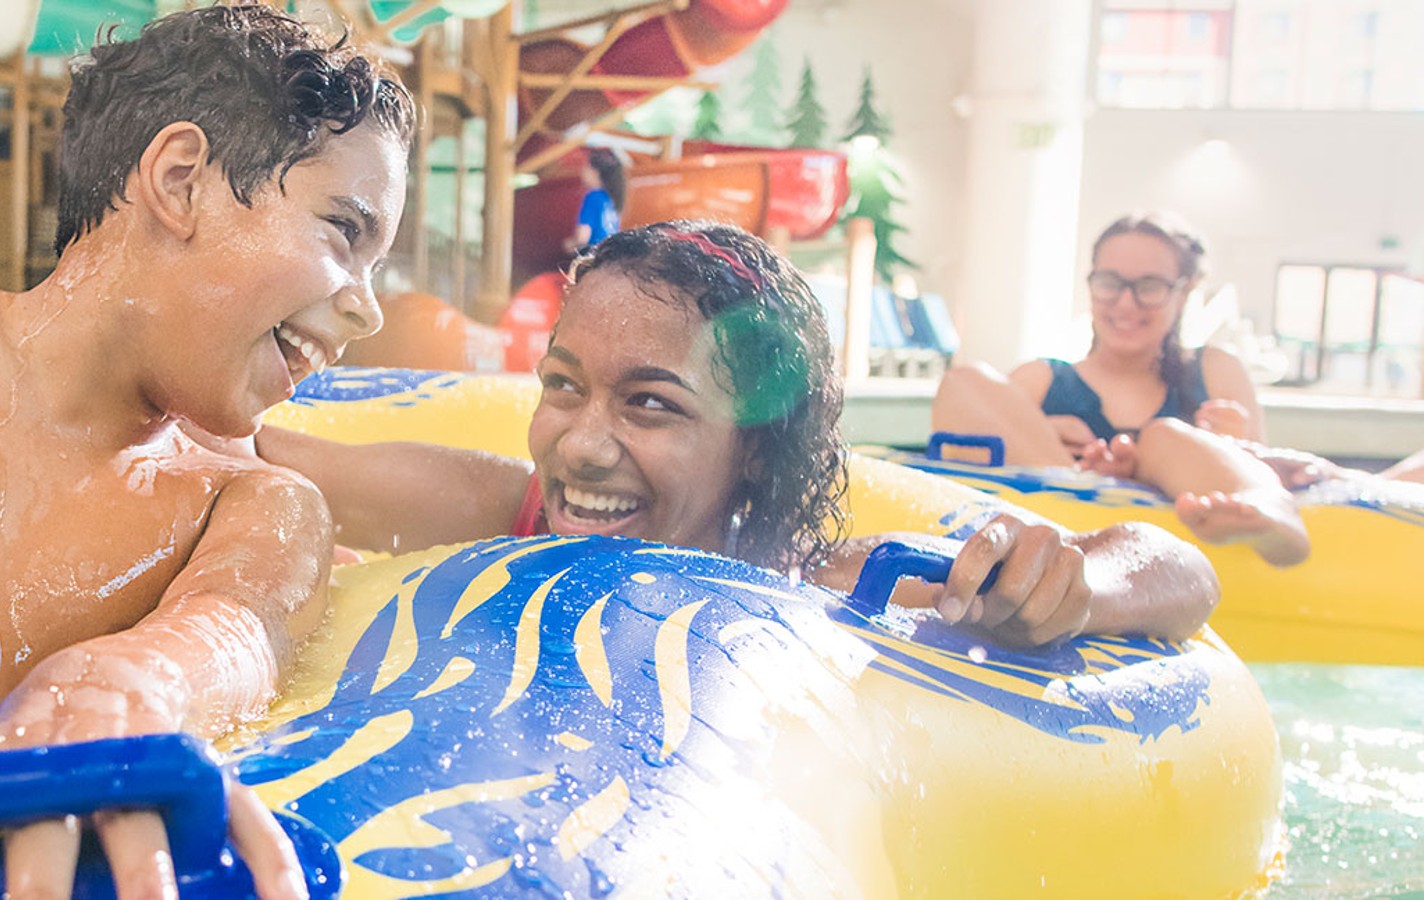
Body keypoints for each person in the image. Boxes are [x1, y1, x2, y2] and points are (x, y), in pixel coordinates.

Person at [0, 4, 411, 897]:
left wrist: (118, 681)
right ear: (180, 181)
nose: (369, 310)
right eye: (344, 231)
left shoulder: (252, 505)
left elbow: (229, 631)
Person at [257, 221, 1219, 648]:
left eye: (651, 404)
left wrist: (1076, 584)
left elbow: (1180, 570)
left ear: (753, 444)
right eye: (563, 386)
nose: (584, 444)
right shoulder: (497, 509)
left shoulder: (817, 584)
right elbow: (262, 457)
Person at [932, 211, 1312, 567]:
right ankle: (1079, 496)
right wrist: (1049, 444)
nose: (1126, 303)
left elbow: (1276, 461)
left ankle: (1270, 509)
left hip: (1182, 537)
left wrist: (1235, 447)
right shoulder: (1041, 380)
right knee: (966, 381)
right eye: (1110, 283)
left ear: (1184, 293)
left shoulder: (1214, 371)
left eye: (1149, 286)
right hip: (1064, 523)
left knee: (1162, 437)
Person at [563, 148, 625, 254]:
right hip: (609, 254)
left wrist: (569, 244)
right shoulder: (610, 198)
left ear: (595, 172)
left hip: (594, 256)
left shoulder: (592, 197)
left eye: (586, 167)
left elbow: (582, 238)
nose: (582, 170)